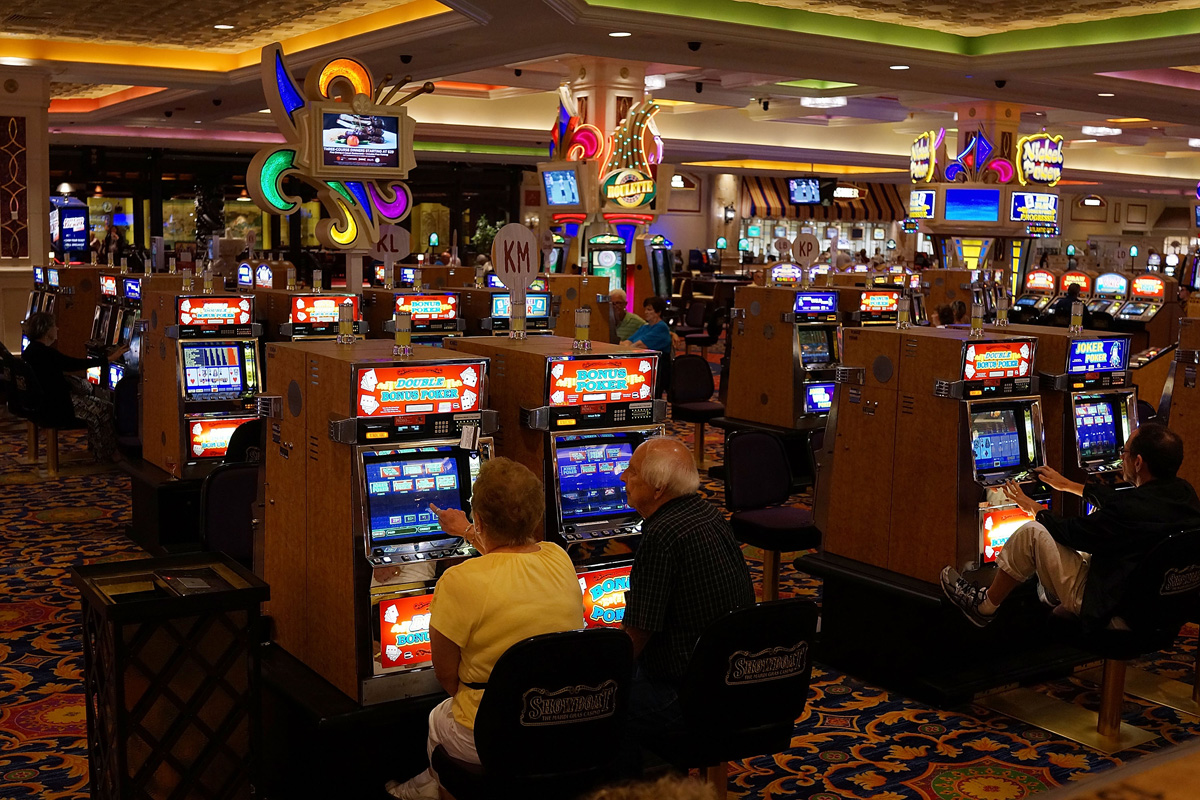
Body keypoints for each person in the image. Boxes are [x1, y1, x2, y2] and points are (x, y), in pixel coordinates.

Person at [385, 457, 584, 800]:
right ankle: (428, 784)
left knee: (438, 718)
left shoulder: (459, 580)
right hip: (561, 720)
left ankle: (441, 787)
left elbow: (447, 676)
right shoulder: (558, 558)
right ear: (537, 516)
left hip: (491, 735)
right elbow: (509, 554)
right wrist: (465, 531)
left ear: (479, 517)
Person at [941, 423, 1200, 631]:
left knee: (1033, 533)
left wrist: (1033, 507)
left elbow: (1071, 532)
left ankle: (984, 605)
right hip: (1163, 606)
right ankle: (1050, 591)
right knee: (1078, 547)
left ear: (1138, 462)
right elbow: (1123, 503)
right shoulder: (1185, 495)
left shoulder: (1128, 511)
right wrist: (1067, 485)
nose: (1120, 457)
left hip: (1115, 611)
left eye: (1125, 452)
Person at [621, 438, 755, 739]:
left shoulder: (662, 535)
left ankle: (635, 784)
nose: (622, 478)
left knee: (598, 709)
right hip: (731, 675)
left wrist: (599, 678)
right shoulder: (707, 512)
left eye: (632, 471)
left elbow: (637, 634)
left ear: (658, 488)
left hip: (687, 691)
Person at [20, 312, 116, 461]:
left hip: (40, 405)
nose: (57, 328)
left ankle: (97, 450)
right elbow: (73, 364)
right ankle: (103, 455)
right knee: (105, 409)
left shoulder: (29, 352)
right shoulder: (46, 354)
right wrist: (107, 359)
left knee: (97, 406)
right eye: (53, 326)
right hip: (57, 407)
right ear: (46, 331)